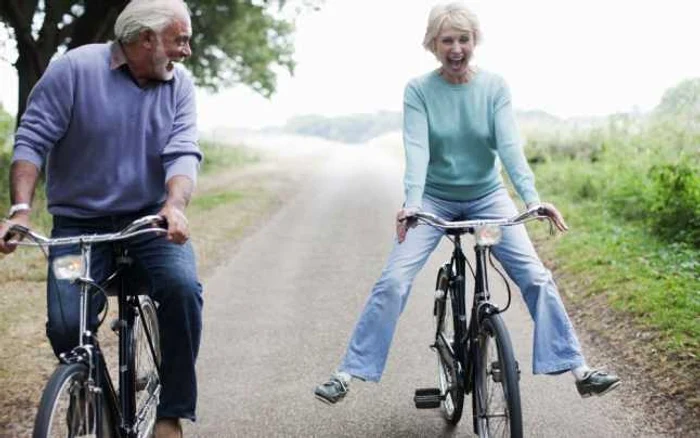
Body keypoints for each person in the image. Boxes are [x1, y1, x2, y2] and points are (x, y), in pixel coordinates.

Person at [314, 1, 620, 405]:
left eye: (463, 39)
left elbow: (510, 148)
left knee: (536, 277)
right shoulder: (420, 90)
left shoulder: (494, 87)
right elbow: (417, 149)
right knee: (394, 281)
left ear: (475, 42)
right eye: (447, 41)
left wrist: (532, 200)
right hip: (435, 203)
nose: (456, 48)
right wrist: (412, 204)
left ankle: (580, 370)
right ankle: (348, 373)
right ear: (432, 45)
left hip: (487, 199)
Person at [0, 1, 202, 436]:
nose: (187, 50)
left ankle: (171, 413)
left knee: (182, 289)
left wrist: (175, 204)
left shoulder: (179, 86)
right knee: (67, 324)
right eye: (179, 39)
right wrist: (19, 210)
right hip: (79, 226)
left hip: (150, 222)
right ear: (145, 39)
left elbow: (182, 152)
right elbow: (32, 140)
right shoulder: (74, 70)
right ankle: (84, 390)